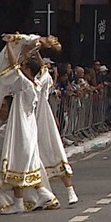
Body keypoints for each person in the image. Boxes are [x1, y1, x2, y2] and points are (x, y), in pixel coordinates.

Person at [0, 56, 59, 215]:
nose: (22, 68)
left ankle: (20, 203)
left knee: (19, 164)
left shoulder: (26, 84)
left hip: (22, 130)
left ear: (29, 70)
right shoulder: (36, 84)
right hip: (28, 128)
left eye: (25, 66)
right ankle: (45, 195)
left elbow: (13, 65)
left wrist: (11, 45)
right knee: (28, 165)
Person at [30, 58, 78, 206]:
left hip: (42, 118)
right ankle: (39, 194)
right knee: (30, 158)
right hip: (28, 119)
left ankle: (70, 190)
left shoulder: (40, 80)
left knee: (54, 151)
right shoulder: (27, 81)